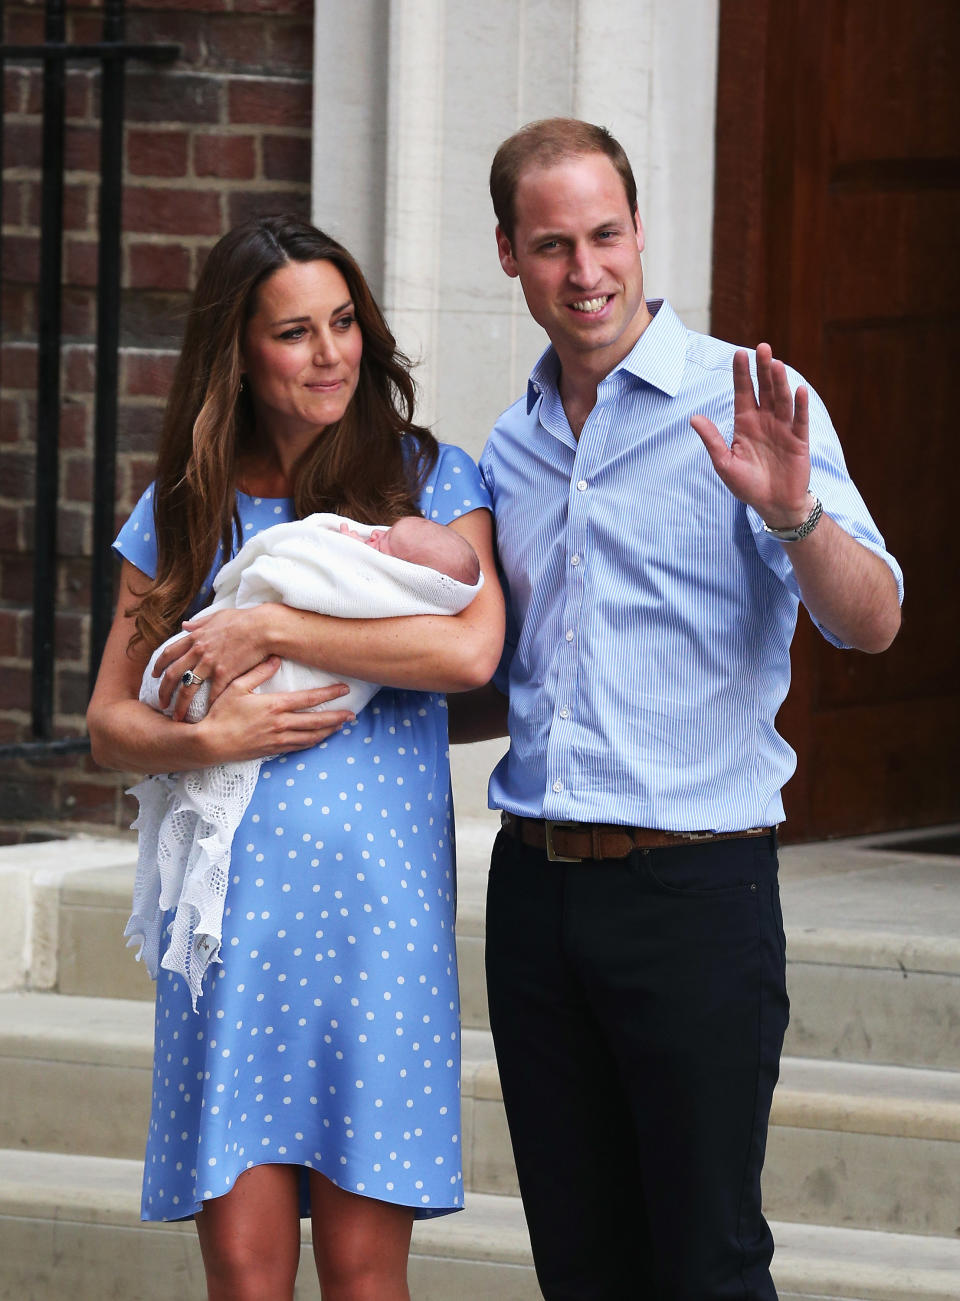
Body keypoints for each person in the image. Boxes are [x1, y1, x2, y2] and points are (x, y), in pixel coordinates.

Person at [448, 118, 902, 1299]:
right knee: (581, 1264)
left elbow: (874, 618)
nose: (585, 270)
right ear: (508, 254)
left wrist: (797, 515)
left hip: (695, 892)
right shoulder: (512, 444)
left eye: (605, 235)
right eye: (553, 245)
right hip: (537, 896)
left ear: (642, 232)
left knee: (704, 1262)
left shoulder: (753, 401)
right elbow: (507, 674)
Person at [87, 213, 503, 1301]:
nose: (330, 353)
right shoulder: (189, 502)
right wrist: (208, 737)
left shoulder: (426, 477)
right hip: (234, 927)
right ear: (239, 353)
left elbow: (468, 645)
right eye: (294, 332)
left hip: (377, 921)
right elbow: (108, 722)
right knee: (244, 1261)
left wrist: (270, 632)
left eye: (344, 322)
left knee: (365, 1269)